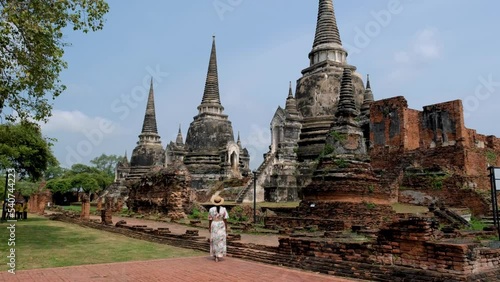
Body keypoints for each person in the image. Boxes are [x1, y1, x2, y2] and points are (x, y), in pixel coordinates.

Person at [208, 195, 229, 262]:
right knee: (220, 240)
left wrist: (209, 227)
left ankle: (215, 254)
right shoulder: (224, 209)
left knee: (214, 239)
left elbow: (210, 219)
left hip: (214, 224)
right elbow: (225, 219)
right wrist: (226, 227)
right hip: (221, 224)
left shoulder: (211, 209)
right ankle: (219, 254)